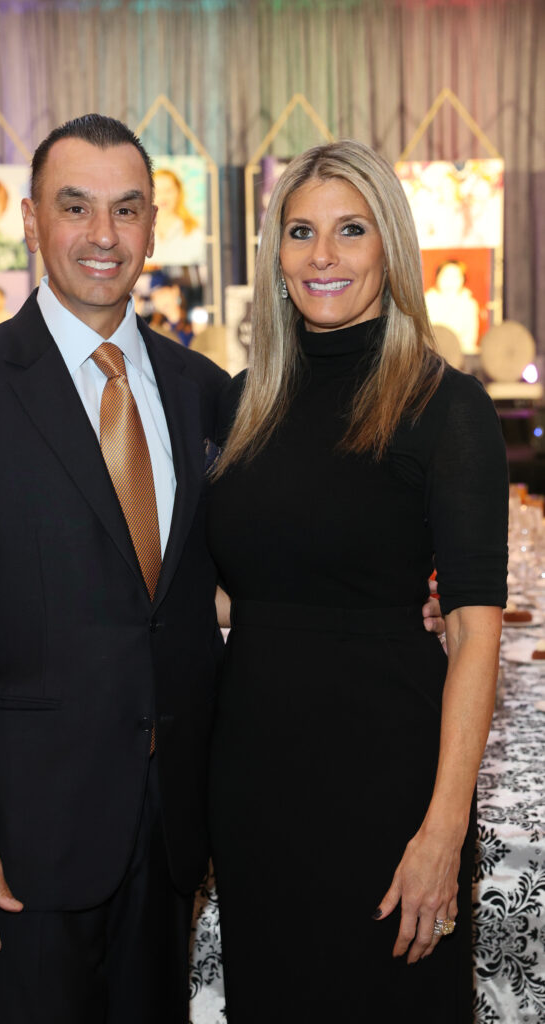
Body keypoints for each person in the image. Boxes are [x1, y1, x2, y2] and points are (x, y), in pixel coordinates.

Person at [0, 114, 229, 1024]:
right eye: (75, 208)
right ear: (31, 221)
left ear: (155, 226)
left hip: (170, 831)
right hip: (18, 845)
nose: (102, 236)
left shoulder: (200, 389)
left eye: (125, 210)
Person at [206, 140, 507, 1022]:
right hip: (254, 784)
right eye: (300, 232)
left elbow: (475, 629)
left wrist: (443, 830)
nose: (322, 256)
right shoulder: (241, 403)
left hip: (389, 786)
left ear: (390, 247)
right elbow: (243, 586)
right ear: (276, 252)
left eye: (350, 230)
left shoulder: (444, 406)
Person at [148, 167, 206, 267]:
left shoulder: (195, 232)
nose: (163, 197)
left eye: (168, 191)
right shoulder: (141, 233)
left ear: (179, 193)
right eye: (157, 191)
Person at [424, 258, 481, 355]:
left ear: (463, 279)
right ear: (437, 277)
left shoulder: (469, 305)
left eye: (455, 277)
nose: (450, 281)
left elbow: (470, 338)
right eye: (446, 276)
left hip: (459, 356)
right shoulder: (427, 301)